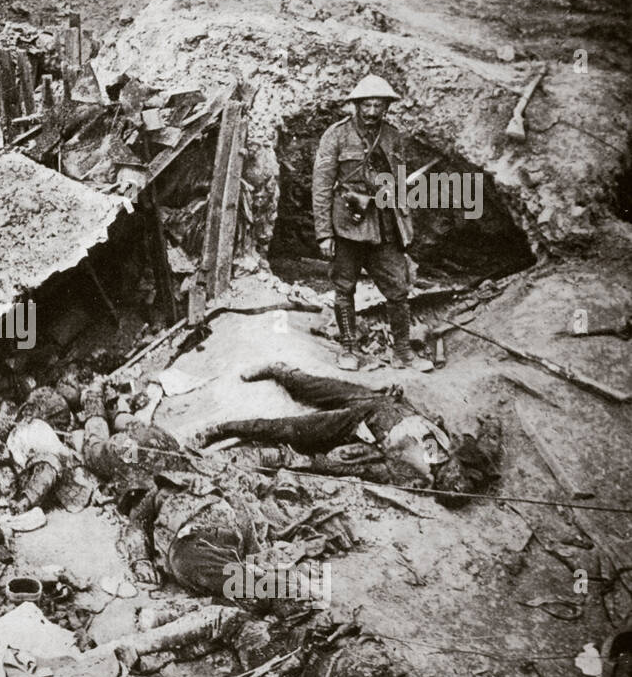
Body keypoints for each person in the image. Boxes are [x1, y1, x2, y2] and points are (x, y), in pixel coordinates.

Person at [191, 362, 501, 500]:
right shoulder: (465, 452)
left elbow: (361, 468)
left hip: (356, 424)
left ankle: (220, 429)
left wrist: (321, 463)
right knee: (310, 386)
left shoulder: (409, 471)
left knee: (288, 429)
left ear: (437, 482)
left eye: (444, 475)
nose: (444, 463)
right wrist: (492, 425)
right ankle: (278, 369)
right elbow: (488, 444)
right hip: (380, 400)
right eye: (452, 467)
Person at [313, 74, 433, 373]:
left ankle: (403, 351)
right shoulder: (336, 135)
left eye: (378, 105)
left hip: (383, 225)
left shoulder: (392, 136)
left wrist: (402, 213)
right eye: (366, 104)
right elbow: (321, 186)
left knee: (398, 290)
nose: (371, 111)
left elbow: (402, 184)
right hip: (347, 226)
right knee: (344, 288)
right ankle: (349, 348)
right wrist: (324, 234)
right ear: (355, 105)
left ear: (386, 108)